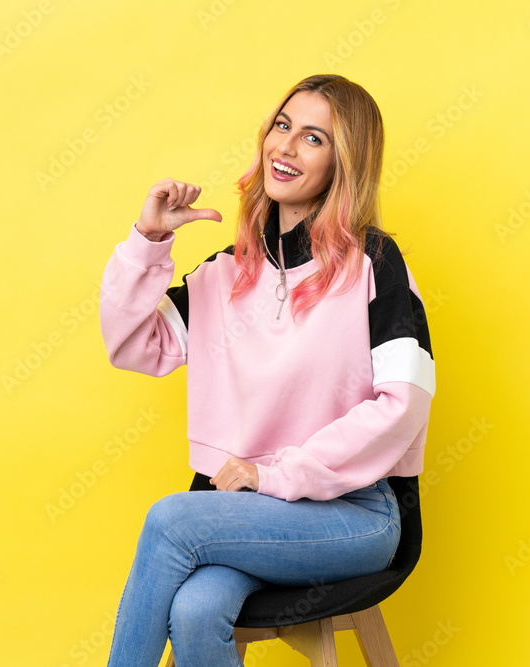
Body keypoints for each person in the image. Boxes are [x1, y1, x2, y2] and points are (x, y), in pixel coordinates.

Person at [98, 74, 435, 666]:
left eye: (313, 139)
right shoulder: (227, 272)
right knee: (197, 611)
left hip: (354, 516)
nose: (285, 147)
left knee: (171, 519)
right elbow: (133, 346)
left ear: (344, 162)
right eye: (282, 127)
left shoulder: (373, 262)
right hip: (253, 515)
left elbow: (403, 402)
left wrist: (273, 474)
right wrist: (148, 241)